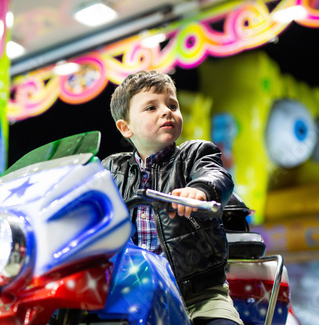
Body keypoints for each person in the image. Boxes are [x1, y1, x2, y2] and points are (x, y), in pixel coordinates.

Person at [102, 70, 243, 325]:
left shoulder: (195, 153)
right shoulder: (112, 168)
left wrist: (200, 189)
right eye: (151, 107)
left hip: (198, 295)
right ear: (125, 128)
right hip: (136, 295)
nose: (166, 111)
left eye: (172, 104)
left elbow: (216, 175)